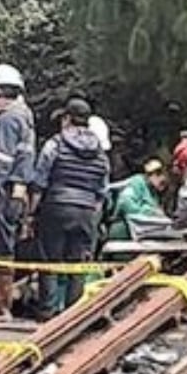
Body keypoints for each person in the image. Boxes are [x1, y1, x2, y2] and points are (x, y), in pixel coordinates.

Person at [29, 97, 110, 318]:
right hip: (86, 211)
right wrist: (94, 217)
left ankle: (47, 312)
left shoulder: (55, 144)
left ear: (66, 118)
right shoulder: (101, 152)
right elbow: (102, 190)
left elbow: (39, 181)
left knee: (50, 262)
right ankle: (74, 315)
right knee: (79, 265)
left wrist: (31, 212)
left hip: (56, 206)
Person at [0, 63, 37, 319]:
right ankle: (2, 304)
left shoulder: (7, 120)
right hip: (18, 193)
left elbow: (1, 162)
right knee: (6, 247)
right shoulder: (25, 117)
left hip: (2, 194)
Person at [107, 158, 171, 241]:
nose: (163, 182)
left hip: (141, 233)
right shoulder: (135, 185)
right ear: (151, 175)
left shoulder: (152, 192)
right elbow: (125, 203)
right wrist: (150, 211)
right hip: (123, 232)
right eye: (159, 175)